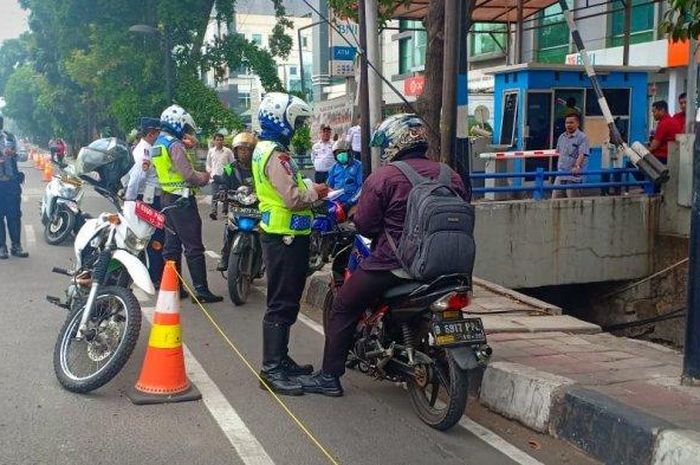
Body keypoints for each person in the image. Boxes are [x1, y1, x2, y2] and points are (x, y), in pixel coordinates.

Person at [297, 113, 468, 397]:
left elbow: (364, 223)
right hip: (449, 264)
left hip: (395, 264)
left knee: (343, 306)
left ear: (394, 143)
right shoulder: (449, 174)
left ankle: (328, 377)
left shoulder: (385, 176)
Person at [252, 92, 329, 395]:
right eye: (295, 121)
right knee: (281, 302)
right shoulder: (276, 154)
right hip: (284, 237)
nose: (296, 127)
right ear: (281, 120)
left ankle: (280, 360)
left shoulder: (265, 149)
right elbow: (293, 198)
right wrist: (318, 193)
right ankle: (271, 369)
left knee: (286, 300)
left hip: (284, 235)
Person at [151, 104, 223, 303]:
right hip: (182, 200)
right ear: (176, 124)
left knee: (172, 246)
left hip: (166, 198)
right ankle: (201, 291)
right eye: (183, 127)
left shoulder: (158, 143)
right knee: (193, 246)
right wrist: (205, 177)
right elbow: (189, 175)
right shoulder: (174, 145)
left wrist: (187, 143)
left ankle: (174, 287)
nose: (184, 131)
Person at [124, 117, 164, 287]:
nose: (159, 135)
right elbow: (137, 178)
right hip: (148, 198)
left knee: (153, 235)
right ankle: (154, 276)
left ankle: (154, 273)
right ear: (151, 133)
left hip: (150, 196)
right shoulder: (145, 152)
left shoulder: (149, 148)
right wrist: (130, 198)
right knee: (153, 236)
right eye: (157, 132)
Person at [215, 131, 257, 271]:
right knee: (229, 230)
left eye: (247, 150)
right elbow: (223, 183)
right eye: (240, 149)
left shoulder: (258, 168)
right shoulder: (229, 169)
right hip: (236, 206)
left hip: (256, 207)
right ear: (235, 151)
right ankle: (224, 256)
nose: (243, 153)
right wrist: (222, 191)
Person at [0, 114, 28, 259]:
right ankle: (1, 247)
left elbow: (24, 156)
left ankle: (16, 246)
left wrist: (14, 153)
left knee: (14, 215)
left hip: (11, 183)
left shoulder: (10, 138)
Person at [552, 114, 590, 199]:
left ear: (577, 123)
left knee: (573, 203)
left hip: (573, 176)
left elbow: (582, 154)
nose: (568, 125)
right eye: (566, 123)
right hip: (560, 175)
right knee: (555, 201)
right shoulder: (562, 137)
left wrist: (577, 166)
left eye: (571, 122)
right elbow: (558, 152)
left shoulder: (582, 138)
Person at [207, 130, 235, 220]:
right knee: (215, 195)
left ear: (223, 141)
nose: (219, 141)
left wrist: (229, 174)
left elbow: (232, 163)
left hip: (225, 176)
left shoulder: (228, 151)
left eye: (221, 140)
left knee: (226, 195)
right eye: (217, 140)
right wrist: (210, 172)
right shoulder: (211, 151)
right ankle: (213, 213)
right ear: (214, 141)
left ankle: (225, 212)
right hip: (215, 176)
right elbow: (208, 164)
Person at [326, 139, 363, 206]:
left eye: (343, 152)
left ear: (349, 152)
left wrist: (351, 202)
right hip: (336, 203)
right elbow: (328, 186)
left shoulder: (358, 166)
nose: (340, 155)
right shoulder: (334, 168)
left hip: (353, 203)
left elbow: (362, 187)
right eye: (338, 153)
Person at [649, 100, 682, 164]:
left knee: (633, 163)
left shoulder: (664, 123)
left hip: (662, 157)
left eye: (654, 112)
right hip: (673, 156)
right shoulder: (674, 120)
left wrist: (643, 153)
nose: (653, 115)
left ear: (662, 110)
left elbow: (654, 146)